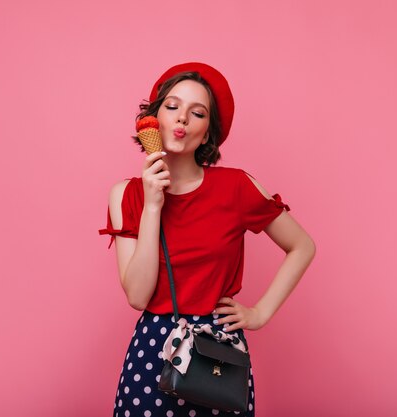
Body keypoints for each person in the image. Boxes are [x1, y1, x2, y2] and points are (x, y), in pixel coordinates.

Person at [99, 62, 316, 417]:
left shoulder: (236, 187)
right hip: (153, 350)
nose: (182, 118)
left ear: (207, 133)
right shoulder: (126, 194)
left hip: (217, 352)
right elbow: (138, 296)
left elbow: (302, 246)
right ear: (153, 120)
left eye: (196, 113)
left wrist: (260, 313)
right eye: (172, 107)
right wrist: (153, 206)